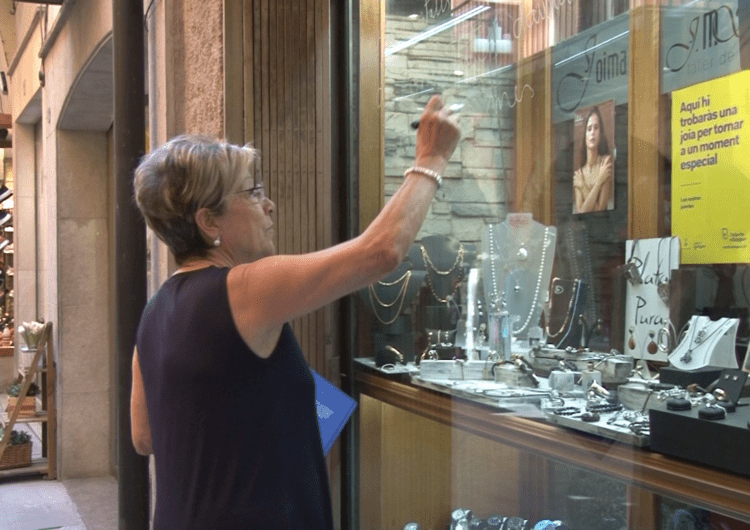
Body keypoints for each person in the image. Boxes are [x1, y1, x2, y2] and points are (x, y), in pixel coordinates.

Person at [129, 95, 460, 530]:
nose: (269, 205)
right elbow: (380, 252)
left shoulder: (155, 310)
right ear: (209, 222)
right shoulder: (244, 287)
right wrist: (431, 158)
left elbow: (146, 437)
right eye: (253, 193)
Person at [573, 105, 613, 213]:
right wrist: (599, 181)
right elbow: (580, 211)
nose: (592, 133)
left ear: (600, 133)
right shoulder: (578, 174)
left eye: (596, 128)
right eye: (589, 128)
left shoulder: (605, 162)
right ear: (585, 134)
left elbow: (599, 209)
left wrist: (582, 187)